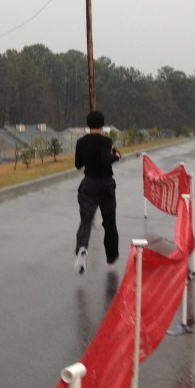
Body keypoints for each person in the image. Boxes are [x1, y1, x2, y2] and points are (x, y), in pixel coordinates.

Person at [73, 111, 121, 275]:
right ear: (102, 124)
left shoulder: (81, 142)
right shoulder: (106, 141)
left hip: (89, 184)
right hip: (106, 184)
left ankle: (82, 247)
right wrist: (116, 156)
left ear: (88, 124)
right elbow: (105, 161)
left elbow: (78, 164)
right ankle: (111, 255)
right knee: (109, 221)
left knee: (86, 219)